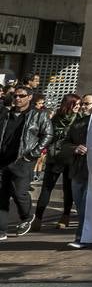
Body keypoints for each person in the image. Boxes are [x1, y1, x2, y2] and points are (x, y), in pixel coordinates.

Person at [1, 85, 52, 238]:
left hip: (23, 160)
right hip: (2, 160)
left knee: (19, 193)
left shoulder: (38, 115)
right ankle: (1, 229)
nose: (17, 98)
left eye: (21, 96)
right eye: (15, 96)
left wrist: (33, 154)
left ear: (29, 97)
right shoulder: (5, 114)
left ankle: (27, 217)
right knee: (1, 195)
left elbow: (48, 135)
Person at [34, 93, 80, 231]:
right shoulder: (55, 118)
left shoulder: (79, 119)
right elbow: (49, 136)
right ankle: (38, 218)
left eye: (79, 104)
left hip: (71, 157)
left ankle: (65, 216)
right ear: (68, 104)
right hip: (55, 158)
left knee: (68, 188)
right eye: (75, 104)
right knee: (47, 188)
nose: (78, 107)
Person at [65, 94, 92, 249]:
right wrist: (75, 148)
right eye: (82, 104)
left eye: (87, 104)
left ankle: (82, 237)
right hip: (77, 169)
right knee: (79, 205)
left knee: (86, 205)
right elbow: (65, 143)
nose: (84, 106)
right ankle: (88, 235)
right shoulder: (77, 123)